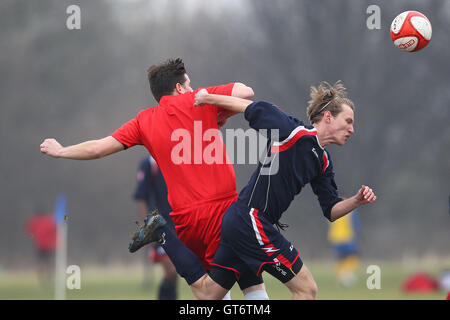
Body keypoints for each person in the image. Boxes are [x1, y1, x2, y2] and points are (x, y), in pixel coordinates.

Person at [40, 58, 268, 299]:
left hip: (186, 223)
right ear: (179, 87)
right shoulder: (201, 100)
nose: (193, 89)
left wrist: (61, 150)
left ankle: (163, 233)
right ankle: (161, 233)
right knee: (250, 281)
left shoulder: (144, 121)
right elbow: (246, 92)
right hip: (223, 212)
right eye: (189, 84)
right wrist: (210, 99)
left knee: (218, 284)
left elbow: (97, 148)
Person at [132, 81, 377, 300]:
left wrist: (356, 200)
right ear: (327, 117)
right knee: (307, 290)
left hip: (240, 223)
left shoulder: (322, 161)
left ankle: (161, 230)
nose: (352, 129)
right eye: (348, 121)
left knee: (209, 295)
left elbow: (331, 210)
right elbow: (248, 107)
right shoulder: (292, 131)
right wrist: (208, 98)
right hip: (251, 221)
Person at [134, 155, 178, 299]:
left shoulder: (176, 160)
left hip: (177, 224)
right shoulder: (149, 164)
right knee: (170, 270)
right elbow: (140, 197)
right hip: (159, 227)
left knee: (177, 271)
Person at [327, 206, 361, 287]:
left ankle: (340, 277)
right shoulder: (350, 206)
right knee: (353, 256)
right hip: (347, 237)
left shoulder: (331, 206)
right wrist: (358, 233)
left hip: (335, 238)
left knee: (340, 259)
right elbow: (355, 223)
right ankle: (349, 275)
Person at [25, 209, 57, 288]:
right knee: (48, 263)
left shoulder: (35, 221)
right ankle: (48, 279)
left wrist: (33, 236)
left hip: (40, 245)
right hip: (48, 245)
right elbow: (54, 229)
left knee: (41, 263)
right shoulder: (49, 220)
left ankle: (43, 280)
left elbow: (29, 229)